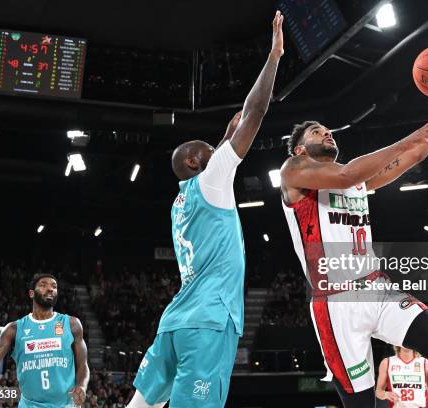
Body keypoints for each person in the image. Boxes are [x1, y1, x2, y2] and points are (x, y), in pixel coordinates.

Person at [279, 71, 428, 408]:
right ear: (299, 148)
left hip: (376, 288)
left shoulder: (357, 181)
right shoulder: (294, 171)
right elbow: (349, 171)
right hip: (336, 304)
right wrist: (409, 139)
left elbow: (415, 155)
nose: (325, 133)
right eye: (315, 131)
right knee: (363, 404)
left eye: (327, 130)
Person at [127, 11, 284, 408]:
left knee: (139, 405)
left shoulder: (181, 200)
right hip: (209, 322)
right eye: (208, 150)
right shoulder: (211, 179)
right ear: (198, 163)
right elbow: (257, 110)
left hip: (175, 323)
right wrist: (274, 56)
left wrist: (225, 138)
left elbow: (213, 165)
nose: (215, 150)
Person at [0, 274, 89, 407]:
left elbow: (83, 365)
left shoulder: (71, 324)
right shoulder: (14, 329)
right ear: (31, 293)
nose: (50, 289)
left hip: (66, 405)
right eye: (43, 285)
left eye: (54, 286)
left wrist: (82, 386)